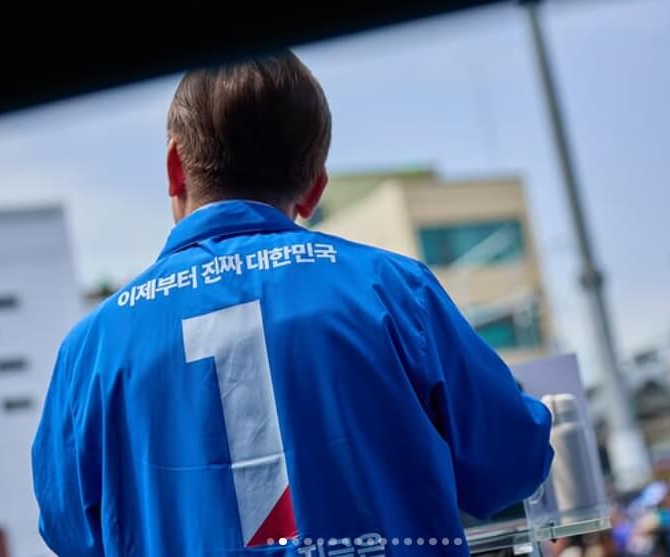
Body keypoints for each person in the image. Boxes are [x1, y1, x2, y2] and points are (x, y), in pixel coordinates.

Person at [30, 50, 554, 556]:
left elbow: (69, 530)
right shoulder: (393, 292)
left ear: (175, 166)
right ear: (314, 188)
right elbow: (512, 464)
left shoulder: (90, 352)